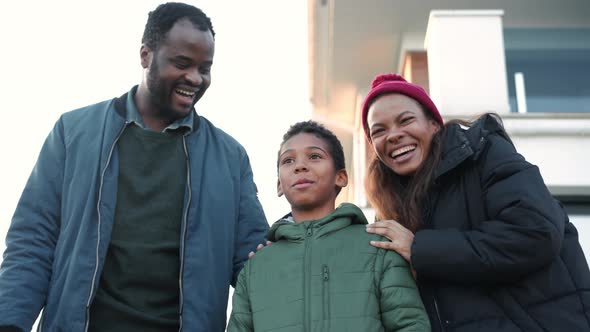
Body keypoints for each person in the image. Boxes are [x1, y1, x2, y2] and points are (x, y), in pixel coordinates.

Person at [0, 3, 268, 331]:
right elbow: (33, 241)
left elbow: (255, 268)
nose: (195, 78)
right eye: (182, 63)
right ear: (146, 55)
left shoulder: (230, 157)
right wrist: (10, 323)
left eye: (205, 68)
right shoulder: (73, 133)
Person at [360, 73, 590, 332]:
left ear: (434, 124)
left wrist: (420, 249)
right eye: (378, 131)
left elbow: (535, 231)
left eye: (406, 120)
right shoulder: (390, 215)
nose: (393, 135)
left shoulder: (485, 154)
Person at [227, 120, 430, 332]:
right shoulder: (256, 267)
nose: (300, 166)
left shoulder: (378, 248)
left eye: (314, 156)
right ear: (279, 184)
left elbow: (410, 325)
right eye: (288, 161)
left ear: (341, 177)